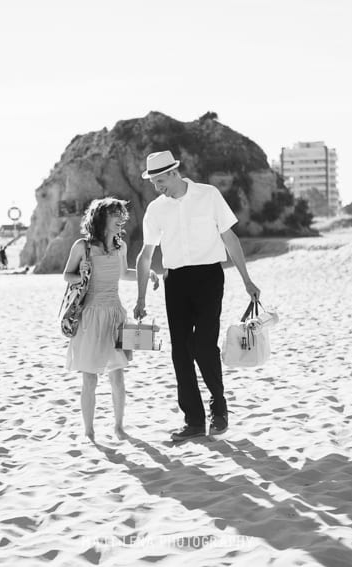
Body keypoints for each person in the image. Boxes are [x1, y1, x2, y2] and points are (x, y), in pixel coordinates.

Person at [134, 150, 260, 442]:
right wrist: (140, 298)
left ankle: (219, 406)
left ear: (174, 173)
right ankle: (193, 420)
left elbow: (230, 238)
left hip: (208, 277)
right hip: (175, 281)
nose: (157, 187)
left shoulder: (208, 195)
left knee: (203, 345)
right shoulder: (156, 209)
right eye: (153, 182)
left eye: (160, 180)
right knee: (180, 351)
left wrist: (247, 280)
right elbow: (145, 255)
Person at [63, 197, 159, 441]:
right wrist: (82, 275)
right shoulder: (82, 246)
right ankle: (89, 431)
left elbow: (124, 273)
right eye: (115, 215)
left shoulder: (121, 246)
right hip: (90, 317)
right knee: (90, 379)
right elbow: (67, 275)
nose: (121, 220)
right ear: (101, 217)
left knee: (118, 376)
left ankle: (119, 427)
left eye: (122, 215)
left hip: (116, 315)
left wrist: (147, 274)